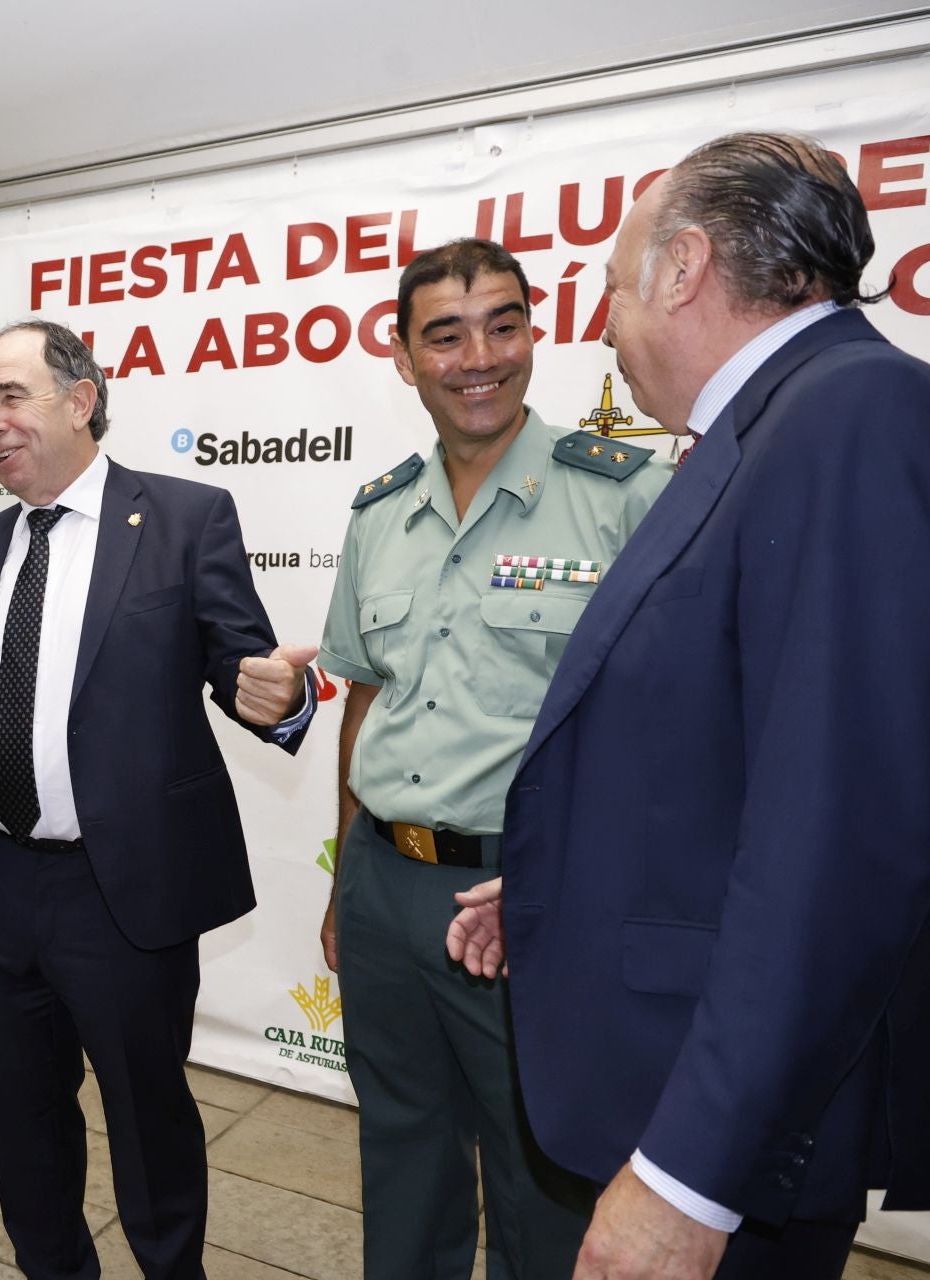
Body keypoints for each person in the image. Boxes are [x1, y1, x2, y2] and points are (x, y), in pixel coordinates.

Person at [447, 132, 930, 1279]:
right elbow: (726, 748)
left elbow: (840, 836)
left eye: (610, 285)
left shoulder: (849, 419)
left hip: (722, 1131)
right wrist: (572, 878)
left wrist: (688, 1178)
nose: (600, 324)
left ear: (683, 268)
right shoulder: (766, 430)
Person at [0, 318, 317, 1280]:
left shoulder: (183, 518)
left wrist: (283, 697)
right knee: (24, 1132)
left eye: (11, 397)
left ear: (81, 398)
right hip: (2, 887)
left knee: (149, 1129)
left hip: (122, 893)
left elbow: (245, 669)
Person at [315, 238, 670, 1279]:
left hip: (525, 898)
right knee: (403, 1153)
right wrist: (346, 875)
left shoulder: (622, 496)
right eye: (446, 333)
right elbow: (363, 700)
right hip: (385, 881)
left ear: (535, 330)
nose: (481, 355)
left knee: (541, 1181)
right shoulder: (381, 512)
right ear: (402, 354)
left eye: (503, 324)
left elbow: (662, 731)